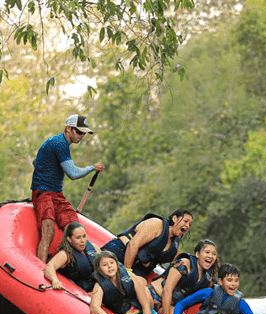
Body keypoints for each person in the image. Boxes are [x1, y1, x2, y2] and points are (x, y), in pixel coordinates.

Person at [31, 114, 105, 262]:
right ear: (68, 129)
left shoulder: (58, 143)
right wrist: (92, 167)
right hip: (43, 193)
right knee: (48, 231)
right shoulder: (59, 143)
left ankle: (79, 263)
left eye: (84, 133)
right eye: (79, 132)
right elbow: (73, 173)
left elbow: (35, 161)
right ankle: (40, 269)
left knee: (74, 226)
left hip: (56, 194)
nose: (82, 136)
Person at [89, 251, 167, 314]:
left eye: (112, 263)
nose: (109, 266)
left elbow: (145, 306)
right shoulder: (99, 286)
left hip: (145, 312)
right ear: (99, 269)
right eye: (105, 265)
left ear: (117, 264)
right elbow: (94, 308)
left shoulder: (131, 277)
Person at [101, 209, 194, 278]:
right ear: (174, 218)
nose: (187, 226)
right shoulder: (156, 224)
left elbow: (179, 262)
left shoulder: (174, 245)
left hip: (138, 268)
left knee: (140, 287)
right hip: (120, 252)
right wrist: (127, 272)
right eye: (185, 221)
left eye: (190, 225)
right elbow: (133, 244)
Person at [149, 239, 218, 314]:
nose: (210, 256)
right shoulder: (184, 263)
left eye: (214, 254)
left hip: (169, 306)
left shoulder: (208, 278)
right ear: (197, 254)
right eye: (207, 252)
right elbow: (167, 290)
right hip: (154, 295)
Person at [42, 222, 100, 292]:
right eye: (78, 238)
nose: (82, 241)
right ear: (69, 239)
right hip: (82, 292)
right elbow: (49, 267)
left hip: (97, 288)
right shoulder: (65, 254)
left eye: (84, 236)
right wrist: (55, 281)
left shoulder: (94, 248)